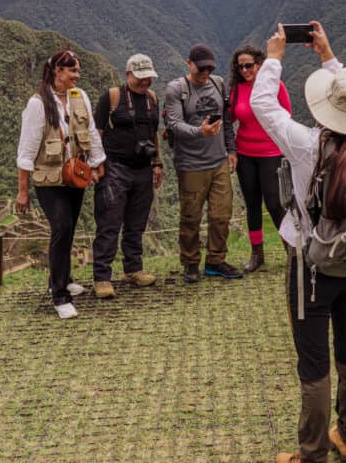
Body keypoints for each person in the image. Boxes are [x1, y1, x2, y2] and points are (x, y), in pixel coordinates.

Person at [253, 22, 346, 463]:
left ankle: (313, 458)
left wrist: (275, 56)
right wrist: (329, 58)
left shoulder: (306, 144)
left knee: (313, 364)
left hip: (309, 265)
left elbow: (262, 107)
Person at [16, 50, 106, 319]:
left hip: (75, 174)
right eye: (72, 71)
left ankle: (64, 279)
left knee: (69, 229)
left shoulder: (80, 97)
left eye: (77, 71)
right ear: (57, 71)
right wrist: (23, 191)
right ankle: (59, 295)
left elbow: (89, 131)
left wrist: (97, 162)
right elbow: (27, 148)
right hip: (49, 179)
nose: (77, 76)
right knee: (61, 227)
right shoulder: (38, 104)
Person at [164, 44, 240, 282]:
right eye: (201, 69)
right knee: (191, 216)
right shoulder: (177, 89)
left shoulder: (218, 84)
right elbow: (174, 124)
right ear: (189, 64)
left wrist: (231, 149)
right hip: (190, 164)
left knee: (221, 214)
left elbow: (226, 120)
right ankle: (190, 262)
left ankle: (215, 260)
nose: (205, 73)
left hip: (218, 161)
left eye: (209, 68)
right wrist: (201, 131)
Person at [90, 54, 163, 299]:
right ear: (128, 74)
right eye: (140, 79)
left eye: (148, 79)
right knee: (109, 223)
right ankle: (101, 277)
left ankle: (133, 269)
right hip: (114, 168)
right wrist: (96, 164)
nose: (145, 83)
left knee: (136, 223)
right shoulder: (111, 97)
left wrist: (157, 162)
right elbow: (96, 133)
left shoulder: (153, 99)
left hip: (143, 168)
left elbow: (154, 133)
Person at [227, 44, 289, 272]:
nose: (245, 70)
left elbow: (286, 116)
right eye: (240, 66)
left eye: (249, 65)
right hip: (245, 154)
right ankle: (257, 253)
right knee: (252, 203)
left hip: (271, 153)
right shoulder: (237, 90)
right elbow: (229, 119)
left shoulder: (275, 86)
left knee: (275, 203)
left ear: (260, 65)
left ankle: (290, 248)